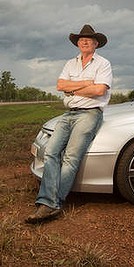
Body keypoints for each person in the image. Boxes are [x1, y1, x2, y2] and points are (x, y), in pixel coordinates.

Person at [26, 25, 113, 224]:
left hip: (90, 114)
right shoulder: (70, 63)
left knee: (71, 158)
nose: (84, 42)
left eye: (89, 40)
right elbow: (60, 85)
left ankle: (50, 203)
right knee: (51, 152)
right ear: (77, 43)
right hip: (69, 113)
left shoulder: (103, 63)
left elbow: (99, 90)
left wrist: (72, 89)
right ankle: (50, 201)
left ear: (96, 44)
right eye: (81, 39)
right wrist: (86, 84)